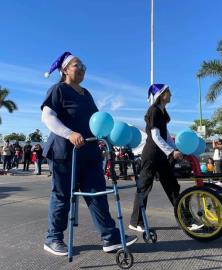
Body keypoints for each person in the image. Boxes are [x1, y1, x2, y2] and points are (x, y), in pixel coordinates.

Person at [40, 52, 137, 256]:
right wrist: (69, 134)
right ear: (65, 70)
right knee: (62, 196)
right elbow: (47, 117)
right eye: (77, 65)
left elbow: (97, 124)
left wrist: (113, 138)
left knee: (98, 194)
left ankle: (110, 238)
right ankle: (53, 238)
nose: (82, 68)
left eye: (83, 65)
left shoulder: (87, 94)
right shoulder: (58, 89)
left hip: (90, 153)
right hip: (64, 153)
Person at [129, 83, 183, 232]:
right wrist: (171, 152)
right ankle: (136, 221)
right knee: (144, 188)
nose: (171, 94)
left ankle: (186, 219)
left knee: (173, 186)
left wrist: (175, 149)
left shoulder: (162, 112)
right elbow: (156, 136)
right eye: (168, 92)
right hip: (151, 155)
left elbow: (166, 136)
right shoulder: (153, 111)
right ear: (161, 95)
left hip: (161, 156)